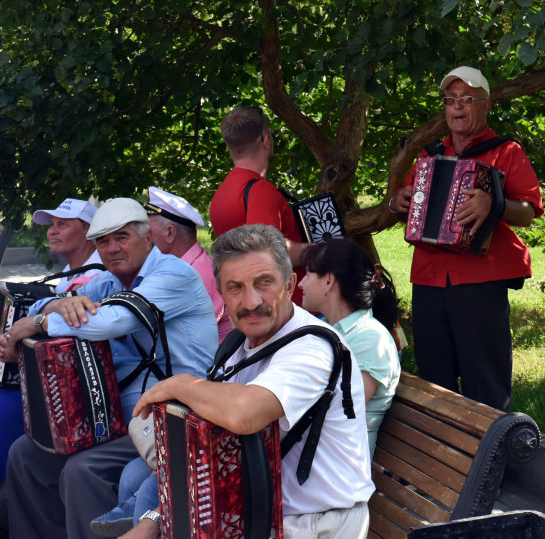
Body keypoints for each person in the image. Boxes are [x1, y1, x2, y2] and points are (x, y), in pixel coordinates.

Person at [126, 224, 373, 539]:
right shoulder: (241, 344)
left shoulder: (313, 348)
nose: (251, 300)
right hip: (257, 514)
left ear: (291, 283)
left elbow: (245, 414)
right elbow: (213, 448)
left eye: (264, 283)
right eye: (236, 287)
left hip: (315, 524)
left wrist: (179, 384)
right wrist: (154, 521)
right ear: (221, 293)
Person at [0, 198, 218, 539]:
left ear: (148, 239)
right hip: (116, 414)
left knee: (83, 469)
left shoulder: (174, 275)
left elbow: (108, 323)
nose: (112, 248)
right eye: (103, 241)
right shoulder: (111, 281)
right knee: (26, 453)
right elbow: (48, 303)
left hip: (171, 416)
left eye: (122, 237)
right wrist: (55, 305)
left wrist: (36, 323)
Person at [390, 66, 543, 411]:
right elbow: (411, 202)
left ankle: (491, 457)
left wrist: (494, 203)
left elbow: (529, 212)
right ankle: (445, 457)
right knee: (434, 377)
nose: (457, 107)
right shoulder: (429, 155)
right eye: (451, 99)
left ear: (486, 106)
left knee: (483, 378)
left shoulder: (506, 151)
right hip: (429, 278)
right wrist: (396, 202)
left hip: (480, 277)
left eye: (468, 99)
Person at [0, 198, 102, 530]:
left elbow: (76, 344)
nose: (52, 231)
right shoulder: (67, 273)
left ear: (89, 232)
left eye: (63, 224)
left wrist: (19, 347)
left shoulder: (99, 275)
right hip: (46, 370)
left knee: (3, 409)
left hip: (79, 381)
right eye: (51, 224)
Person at [299, 238, 401, 455]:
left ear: (328, 282)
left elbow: (343, 413)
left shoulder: (371, 339)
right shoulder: (325, 326)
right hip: (315, 453)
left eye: (307, 275)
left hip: (340, 467)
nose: (300, 283)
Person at [209, 106, 310, 302]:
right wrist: (319, 250)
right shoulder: (260, 191)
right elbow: (268, 251)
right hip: (291, 310)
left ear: (228, 145)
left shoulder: (220, 195)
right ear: (266, 140)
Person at [145, 185, 229, 342]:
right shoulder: (184, 266)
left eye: (148, 232)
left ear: (170, 233)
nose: (144, 239)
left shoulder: (199, 273)